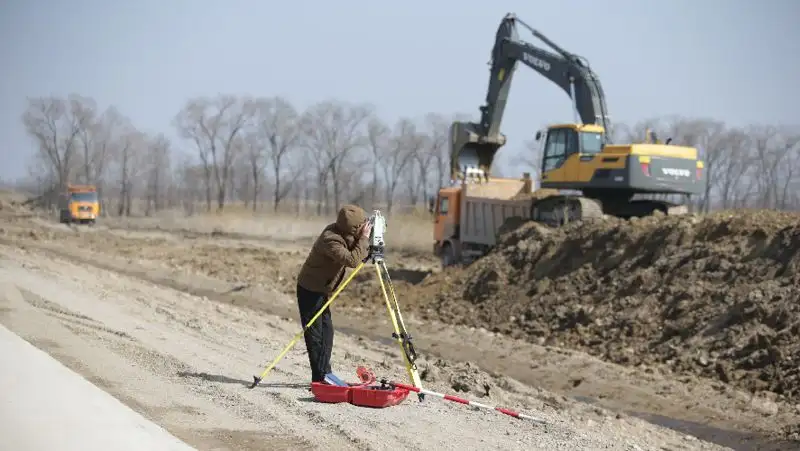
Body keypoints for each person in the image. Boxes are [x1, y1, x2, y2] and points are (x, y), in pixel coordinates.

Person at [295, 204, 373, 384]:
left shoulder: (343, 233)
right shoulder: (330, 239)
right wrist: (364, 238)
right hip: (310, 289)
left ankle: (325, 373)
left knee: (327, 333)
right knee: (315, 336)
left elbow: (354, 248)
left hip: (321, 289)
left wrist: (364, 241)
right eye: (362, 225)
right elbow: (352, 260)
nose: (365, 227)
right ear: (353, 228)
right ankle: (319, 378)